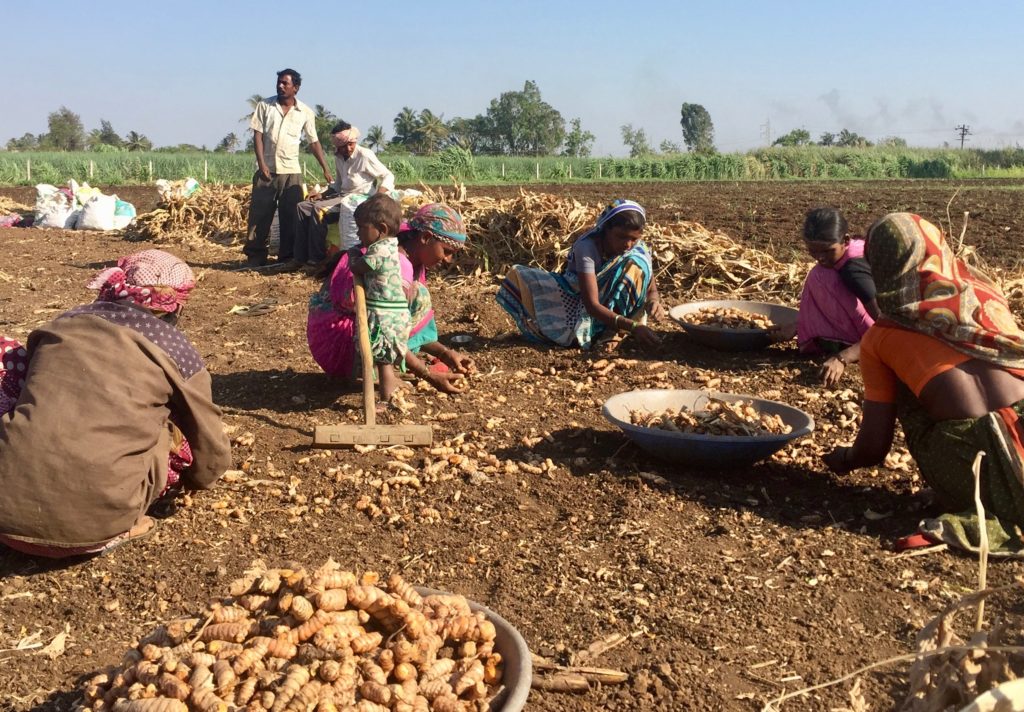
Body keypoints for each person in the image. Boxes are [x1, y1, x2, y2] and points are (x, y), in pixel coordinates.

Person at [0, 250, 232, 558]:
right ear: (176, 306)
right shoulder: (177, 351)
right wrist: (200, 477)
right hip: (94, 527)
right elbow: (208, 440)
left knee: (11, 361)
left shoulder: (63, 324)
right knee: (169, 429)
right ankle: (120, 521)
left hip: (5, 516)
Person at [823, 213, 1024, 540]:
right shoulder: (986, 296)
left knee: (904, 390)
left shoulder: (881, 338)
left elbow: (874, 448)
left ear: (880, 268)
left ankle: (962, 494)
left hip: (979, 470)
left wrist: (845, 458)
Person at [307, 202, 475, 394]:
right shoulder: (390, 261)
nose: (447, 260)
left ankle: (382, 369)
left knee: (417, 298)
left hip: (370, 331)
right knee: (417, 296)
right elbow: (386, 329)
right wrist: (428, 374)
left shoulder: (409, 263)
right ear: (426, 238)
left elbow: (401, 327)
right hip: (338, 342)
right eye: (447, 251)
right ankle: (371, 373)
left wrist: (445, 353)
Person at [495, 199, 664, 350]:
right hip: (578, 298)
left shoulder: (637, 250)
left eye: (634, 239)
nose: (628, 244)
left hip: (612, 307)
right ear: (605, 230)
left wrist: (654, 301)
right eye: (621, 237)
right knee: (521, 276)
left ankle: (613, 331)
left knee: (635, 265)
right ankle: (609, 329)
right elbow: (591, 305)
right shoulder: (588, 247)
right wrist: (634, 327)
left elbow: (651, 289)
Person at [771, 208, 880, 386]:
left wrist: (843, 357)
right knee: (822, 273)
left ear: (845, 240)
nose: (820, 258)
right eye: (813, 251)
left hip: (883, 337)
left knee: (822, 275)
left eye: (827, 251)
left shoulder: (853, 272)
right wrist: (799, 325)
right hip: (875, 326)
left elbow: (887, 326)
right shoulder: (855, 248)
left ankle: (847, 344)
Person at [242, 68, 333, 269]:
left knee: (291, 216)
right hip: (267, 170)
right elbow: (257, 135)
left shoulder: (306, 112)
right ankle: (255, 257)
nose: (281, 86)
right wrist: (262, 164)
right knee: (259, 215)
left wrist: (325, 169)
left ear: (296, 88)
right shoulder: (265, 106)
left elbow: (313, 141)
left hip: (291, 171)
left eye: (285, 83)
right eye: (279, 83)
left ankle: (286, 257)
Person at [287, 122, 396, 272]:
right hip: (342, 196)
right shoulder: (339, 158)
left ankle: (316, 260)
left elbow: (387, 175)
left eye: (350, 144)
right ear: (337, 147)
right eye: (344, 146)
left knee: (319, 210)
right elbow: (338, 184)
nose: (348, 149)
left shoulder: (364, 155)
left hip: (358, 198)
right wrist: (322, 194)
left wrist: (380, 194)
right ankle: (299, 258)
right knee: (302, 207)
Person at [347, 194, 408, 403]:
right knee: (381, 360)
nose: (358, 233)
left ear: (381, 229)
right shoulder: (390, 246)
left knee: (383, 361)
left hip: (385, 316)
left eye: (362, 228)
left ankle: (386, 398)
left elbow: (358, 267)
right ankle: (379, 392)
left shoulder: (380, 251)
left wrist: (353, 256)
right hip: (391, 312)